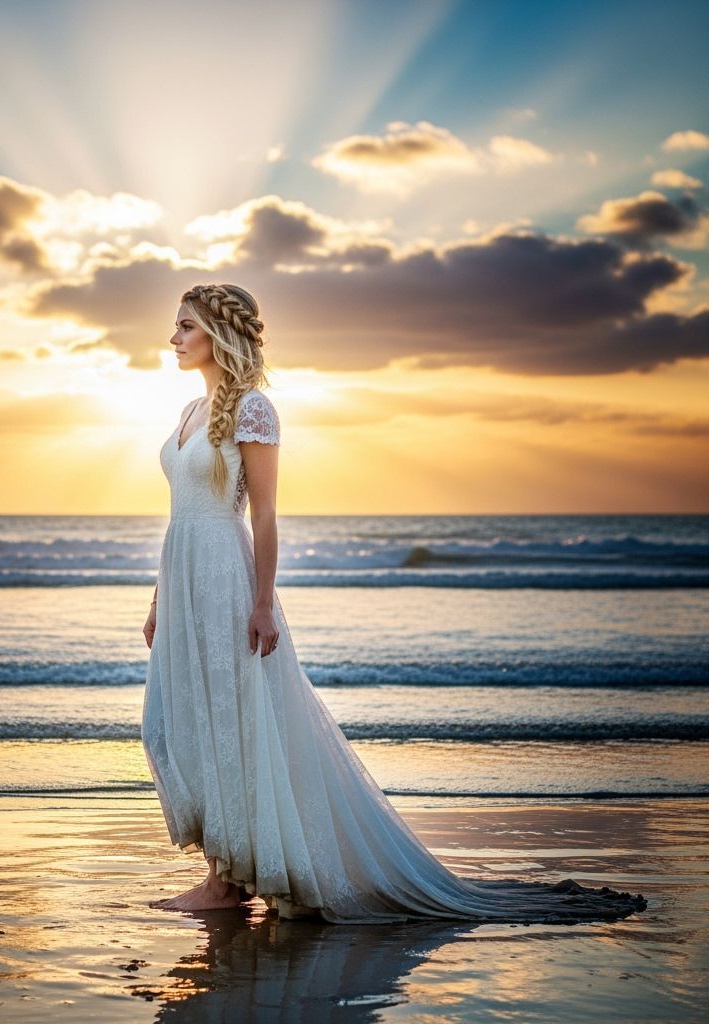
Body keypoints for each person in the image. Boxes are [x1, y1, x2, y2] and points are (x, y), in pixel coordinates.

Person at [140, 282, 647, 924]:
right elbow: (180, 517)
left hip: (226, 582)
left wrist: (263, 603)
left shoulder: (254, 409)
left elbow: (263, 515)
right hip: (184, 582)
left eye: (186, 326)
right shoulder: (190, 410)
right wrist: (158, 599)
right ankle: (229, 869)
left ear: (219, 334)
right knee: (176, 723)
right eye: (176, 325)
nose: (174, 337)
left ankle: (227, 882)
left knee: (233, 721)